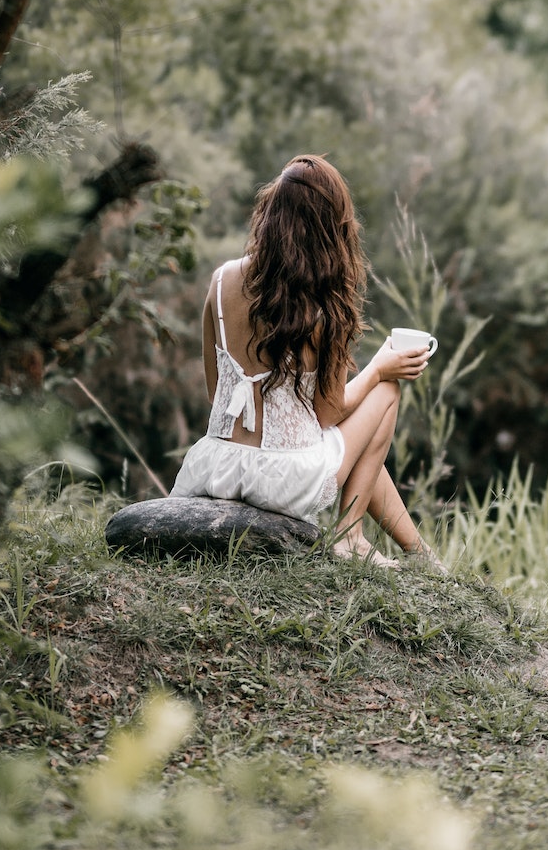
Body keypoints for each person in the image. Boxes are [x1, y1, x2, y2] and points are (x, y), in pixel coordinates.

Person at [170, 154, 439, 566]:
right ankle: (351, 538)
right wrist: (378, 369)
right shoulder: (319, 305)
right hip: (283, 481)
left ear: (271, 212)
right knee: (385, 391)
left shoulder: (222, 279)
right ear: (330, 228)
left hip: (213, 468)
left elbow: (217, 392)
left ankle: (420, 554)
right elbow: (330, 414)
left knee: (358, 442)